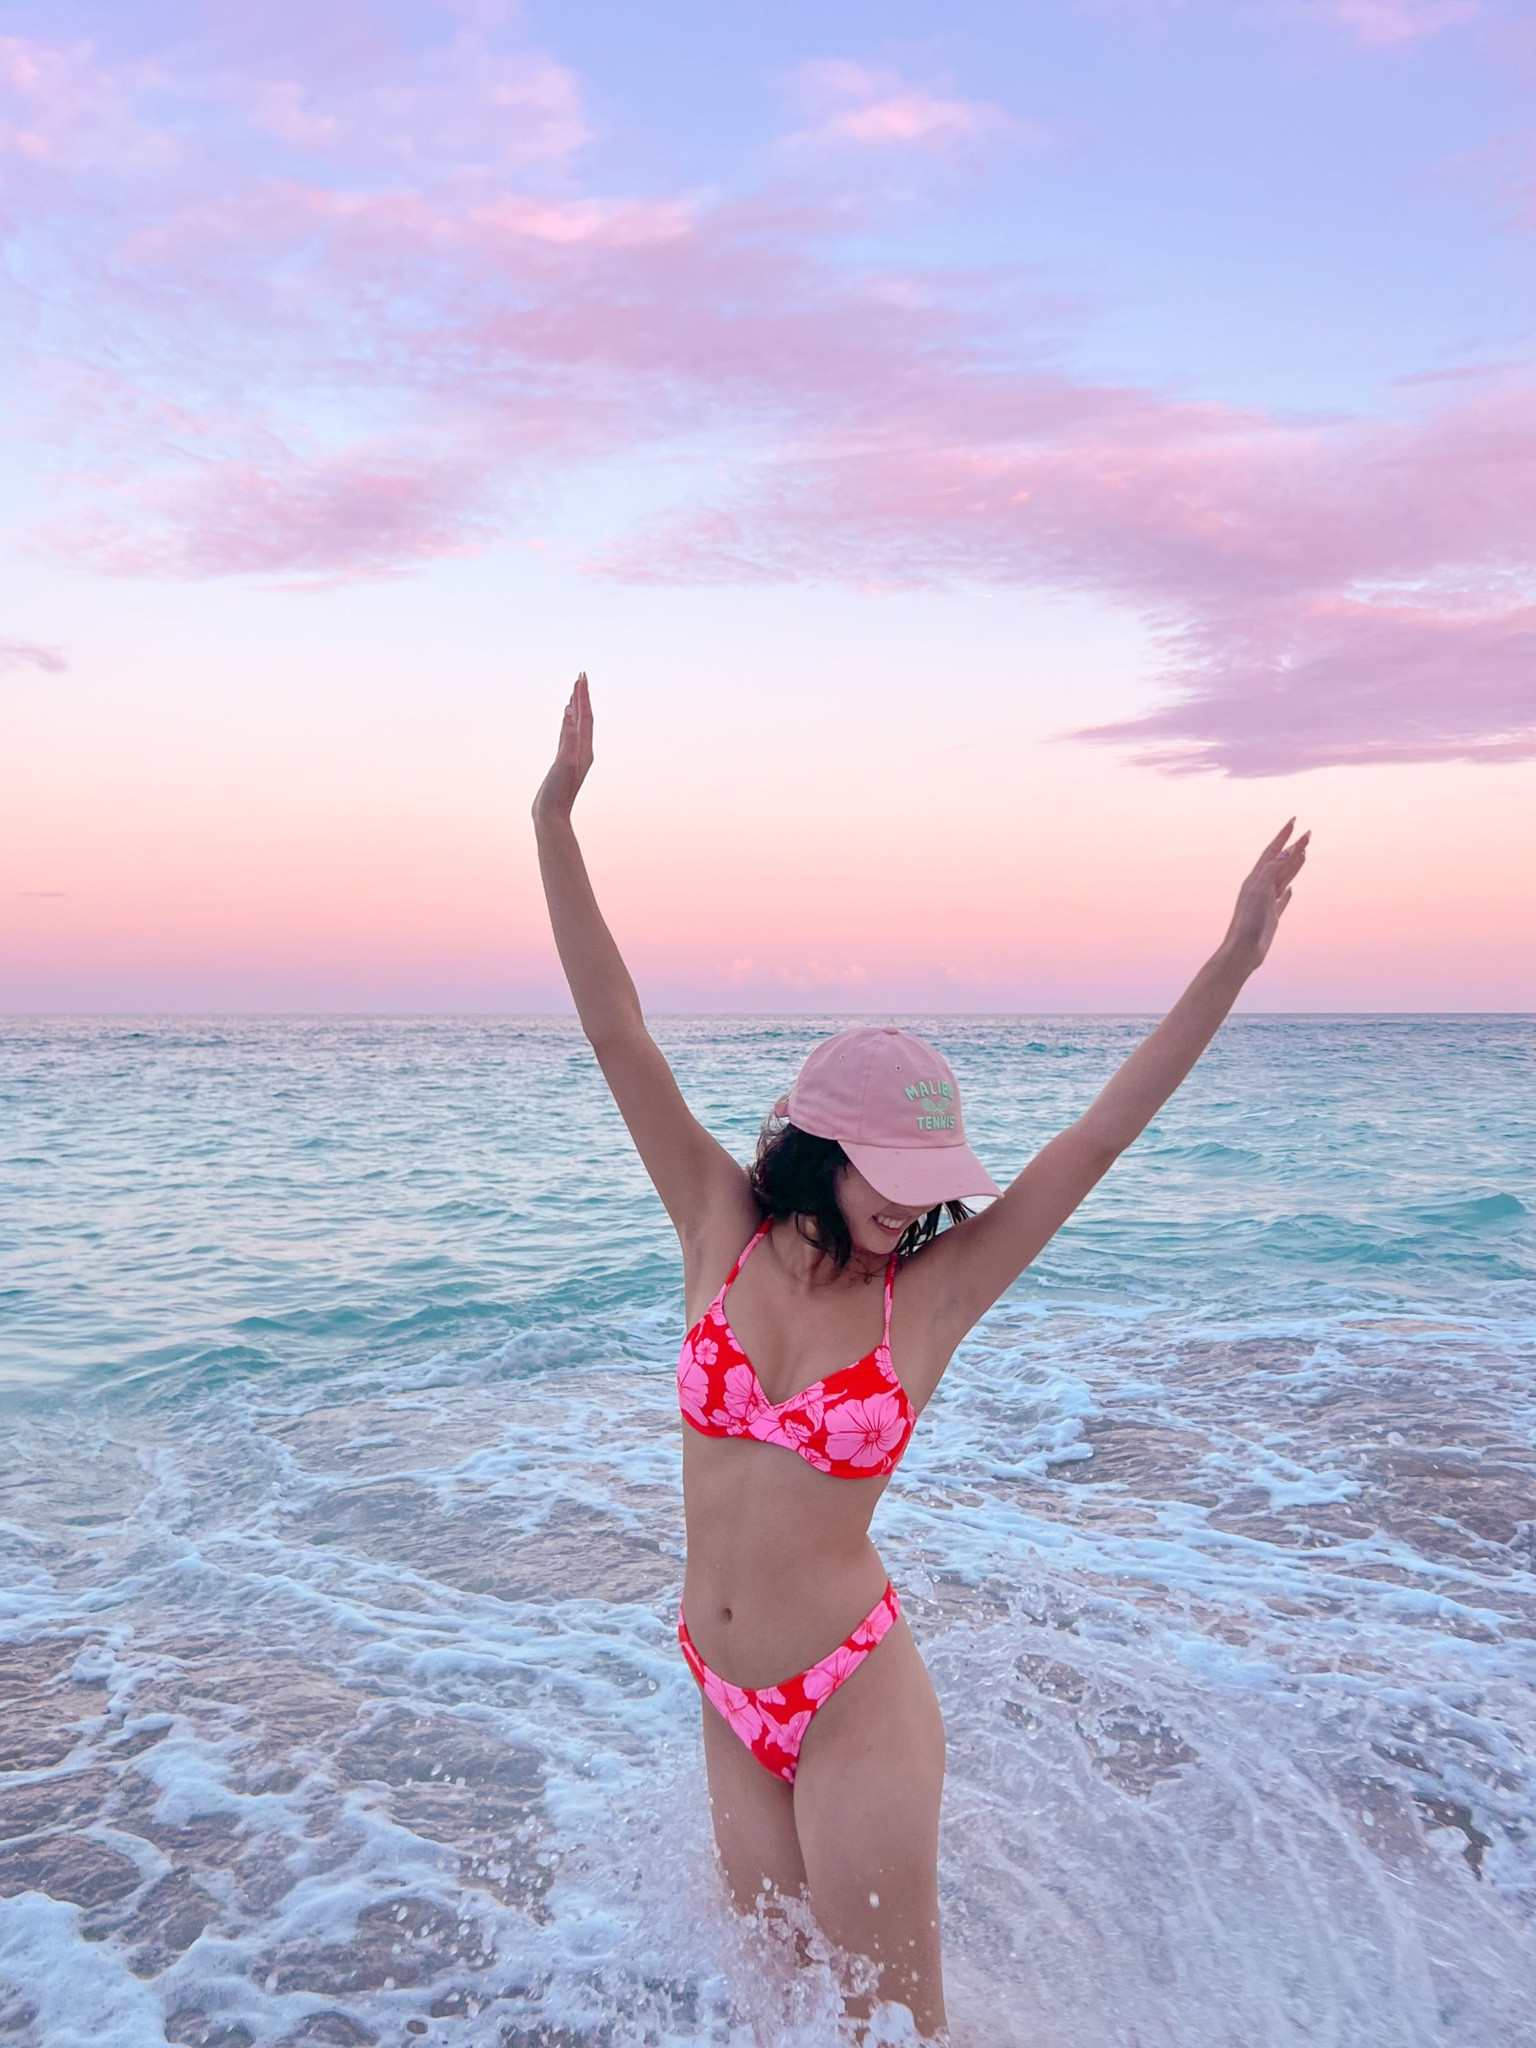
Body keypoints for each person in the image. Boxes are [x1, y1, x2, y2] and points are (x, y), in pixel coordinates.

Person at [532, 672, 1309, 2041]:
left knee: (893, 2029)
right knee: (785, 2020)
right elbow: (617, 1030)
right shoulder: (715, 1223)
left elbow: (1094, 1141)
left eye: (927, 1177)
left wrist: (1236, 958)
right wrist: (555, 818)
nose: (913, 1202)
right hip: (722, 1694)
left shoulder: (933, 1296)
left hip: (850, 1698)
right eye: (888, 1173)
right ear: (819, 1154)